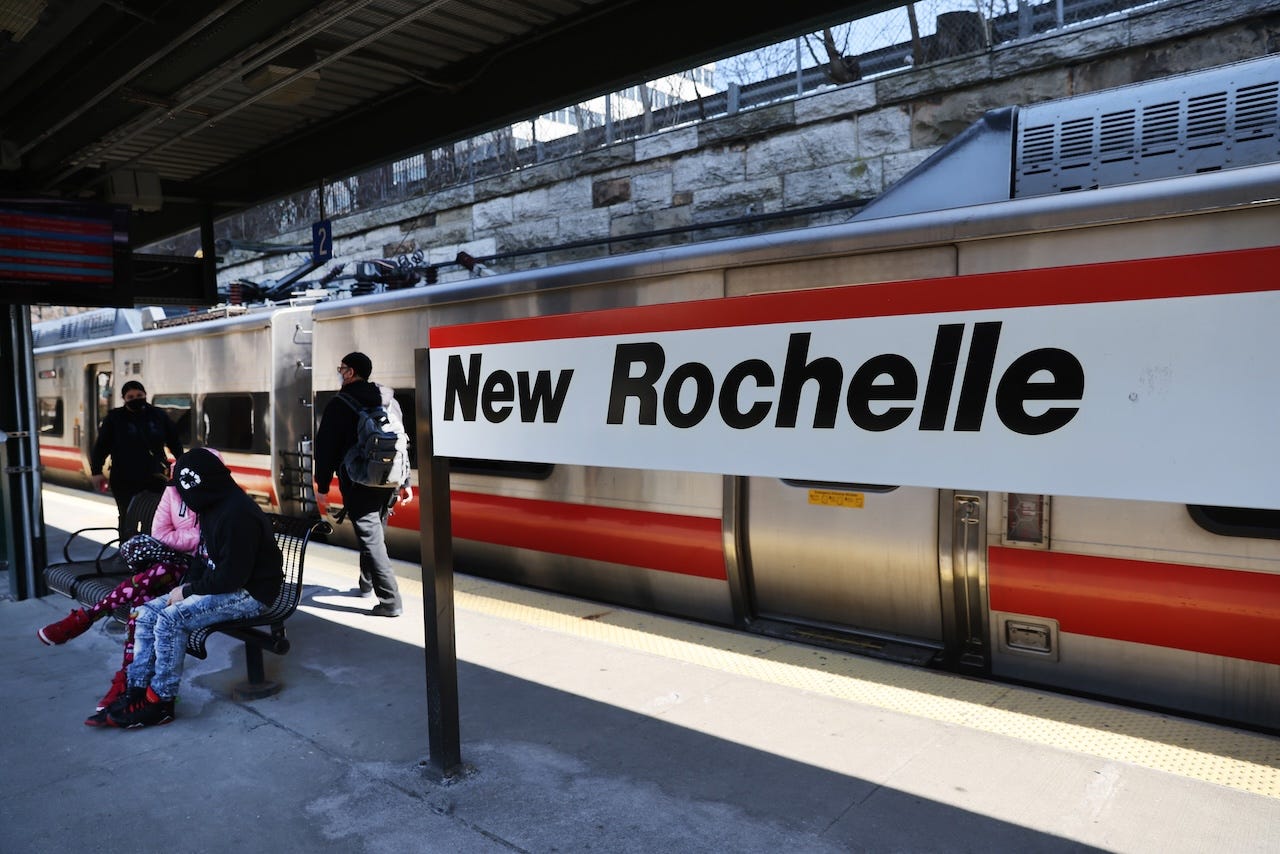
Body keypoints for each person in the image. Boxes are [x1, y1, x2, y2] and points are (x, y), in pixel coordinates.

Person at [38, 449, 224, 725]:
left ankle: (91, 621)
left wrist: (178, 539)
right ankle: (127, 682)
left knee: (150, 588)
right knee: (142, 602)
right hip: (167, 570)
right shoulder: (172, 492)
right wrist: (181, 540)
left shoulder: (217, 497)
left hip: (196, 573)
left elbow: (202, 539)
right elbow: (160, 533)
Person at [107, 447, 283, 729]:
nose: (181, 498)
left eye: (183, 490)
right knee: (146, 612)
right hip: (225, 585)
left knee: (170, 620)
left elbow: (232, 578)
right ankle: (136, 690)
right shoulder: (212, 506)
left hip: (251, 593)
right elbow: (203, 559)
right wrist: (185, 587)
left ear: (199, 485)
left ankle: (160, 702)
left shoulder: (237, 515)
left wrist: (186, 593)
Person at [313, 351, 411, 617]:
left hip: (358, 481)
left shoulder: (340, 404)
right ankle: (366, 584)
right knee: (374, 534)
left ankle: (391, 601)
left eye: (341, 368)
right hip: (389, 480)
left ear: (350, 372)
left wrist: (322, 487)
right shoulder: (388, 400)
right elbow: (402, 440)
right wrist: (405, 481)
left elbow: (325, 450)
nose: (339, 372)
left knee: (371, 539)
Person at [90, 380, 185, 542]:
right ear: (124, 398)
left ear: (145, 395)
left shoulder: (158, 416)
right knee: (127, 514)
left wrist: (182, 463)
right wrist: (97, 472)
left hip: (155, 475)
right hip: (124, 476)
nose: (135, 399)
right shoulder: (114, 418)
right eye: (130, 396)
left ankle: (153, 548)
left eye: (139, 395)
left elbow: (174, 442)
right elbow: (101, 446)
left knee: (157, 513)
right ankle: (127, 548)